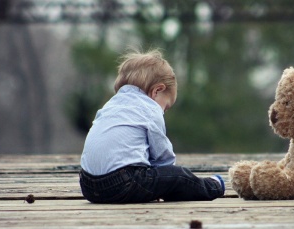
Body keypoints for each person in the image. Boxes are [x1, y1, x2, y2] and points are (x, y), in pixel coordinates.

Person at [79, 48, 225, 203]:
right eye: (166, 106)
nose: (163, 111)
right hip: (123, 183)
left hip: (88, 186)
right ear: (157, 90)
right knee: (180, 177)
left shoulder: (110, 105)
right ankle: (213, 186)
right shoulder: (149, 108)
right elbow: (162, 156)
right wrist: (168, 177)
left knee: (156, 179)